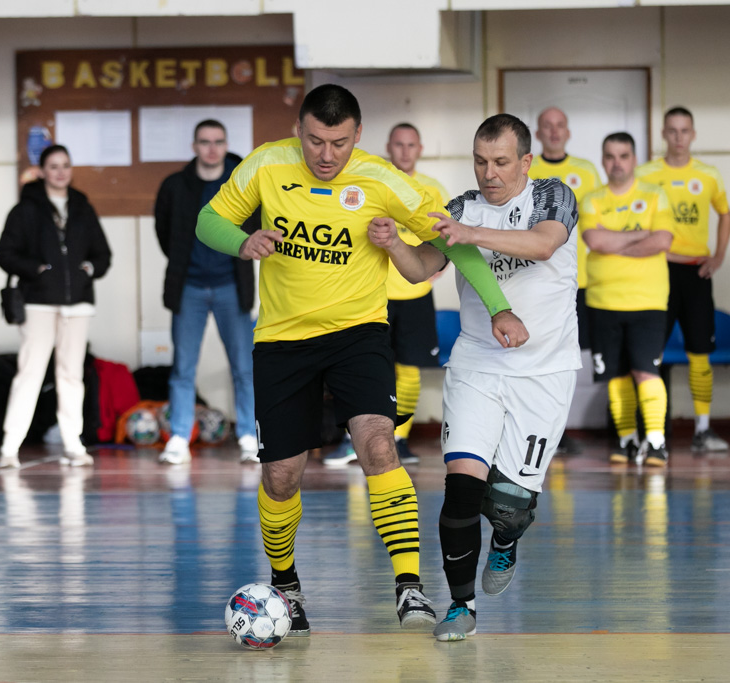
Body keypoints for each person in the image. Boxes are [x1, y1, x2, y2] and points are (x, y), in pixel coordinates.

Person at [194, 84, 528, 634]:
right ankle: (286, 584)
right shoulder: (265, 165)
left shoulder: (381, 179)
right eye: (315, 141)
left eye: (340, 143)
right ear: (299, 130)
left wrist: (499, 307)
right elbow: (208, 220)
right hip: (282, 339)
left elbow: (451, 241)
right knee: (281, 475)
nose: (327, 155)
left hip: (359, 333)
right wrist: (242, 241)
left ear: (358, 135)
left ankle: (409, 585)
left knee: (377, 443)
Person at [368, 113, 578, 641]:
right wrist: (394, 243)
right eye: (481, 161)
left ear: (525, 161)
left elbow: (543, 244)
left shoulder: (553, 196)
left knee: (507, 506)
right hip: (477, 364)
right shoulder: (462, 207)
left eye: (501, 162)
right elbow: (421, 269)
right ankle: (461, 607)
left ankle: (505, 541)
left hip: (545, 372)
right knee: (461, 488)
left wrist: (469, 234)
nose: (489, 173)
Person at [323, 122, 449, 468]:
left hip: (415, 294)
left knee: (408, 370)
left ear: (420, 149)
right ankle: (354, 442)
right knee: (360, 368)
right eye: (399, 144)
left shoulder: (433, 189)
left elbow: (446, 237)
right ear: (389, 147)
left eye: (411, 145)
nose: (405, 151)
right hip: (370, 293)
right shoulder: (370, 182)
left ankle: (399, 440)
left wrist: (438, 267)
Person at [0, 144, 112, 469]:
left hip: (78, 305)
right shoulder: (26, 209)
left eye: (65, 165)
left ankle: (73, 444)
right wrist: (38, 270)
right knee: (30, 372)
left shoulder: (82, 207)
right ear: (42, 171)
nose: (61, 172)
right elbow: (5, 253)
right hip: (38, 302)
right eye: (54, 166)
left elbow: (103, 254)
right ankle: (10, 447)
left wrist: (88, 269)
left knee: (71, 375)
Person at [154, 119, 261, 466]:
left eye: (218, 141)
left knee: (244, 368)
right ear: (194, 146)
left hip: (233, 286)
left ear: (226, 144)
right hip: (189, 287)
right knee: (183, 368)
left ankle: (248, 436)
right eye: (205, 142)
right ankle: (179, 438)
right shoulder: (175, 185)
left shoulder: (243, 182)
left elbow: (257, 225)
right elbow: (164, 232)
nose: (212, 149)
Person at [636, 107, 730, 452]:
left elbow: (725, 214)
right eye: (672, 131)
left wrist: (718, 256)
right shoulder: (646, 174)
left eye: (684, 130)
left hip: (696, 272)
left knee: (700, 353)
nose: (678, 137)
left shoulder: (708, 174)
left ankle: (702, 430)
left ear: (693, 134)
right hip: (657, 271)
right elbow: (636, 222)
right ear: (663, 134)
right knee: (652, 353)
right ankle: (652, 434)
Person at [581, 133, 675, 467]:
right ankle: (627, 441)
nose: (617, 163)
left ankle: (656, 442)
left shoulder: (655, 195)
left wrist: (614, 240)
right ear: (603, 160)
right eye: (610, 156)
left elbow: (662, 240)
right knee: (616, 375)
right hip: (603, 300)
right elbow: (594, 240)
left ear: (634, 159)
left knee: (646, 371)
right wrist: (640, 234)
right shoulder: (591, 199)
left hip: (648, 301)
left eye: (623, 155)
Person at [528, 106, 602, 454]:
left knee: (569, 359)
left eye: (560, 126)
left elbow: (601, 220)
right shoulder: (529, 170)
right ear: (538, 133)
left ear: (568, 132)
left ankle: (559, 428)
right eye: (547, 126)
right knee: (538, 355)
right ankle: (537, 429)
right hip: (538, 280)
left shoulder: (586, 171)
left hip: (581, 281)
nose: (554, 132)